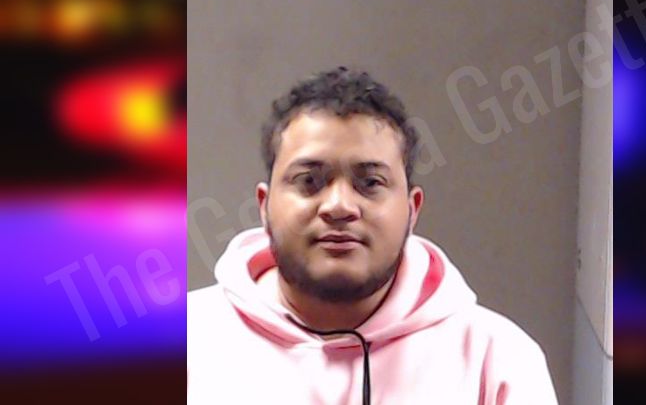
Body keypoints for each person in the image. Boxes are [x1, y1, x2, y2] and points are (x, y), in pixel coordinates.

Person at [187, 67, 559, 405]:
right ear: (264, 206)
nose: (338, 206)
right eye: (309, 181)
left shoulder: (496, 359)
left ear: (412, 210)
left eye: (369, 183)